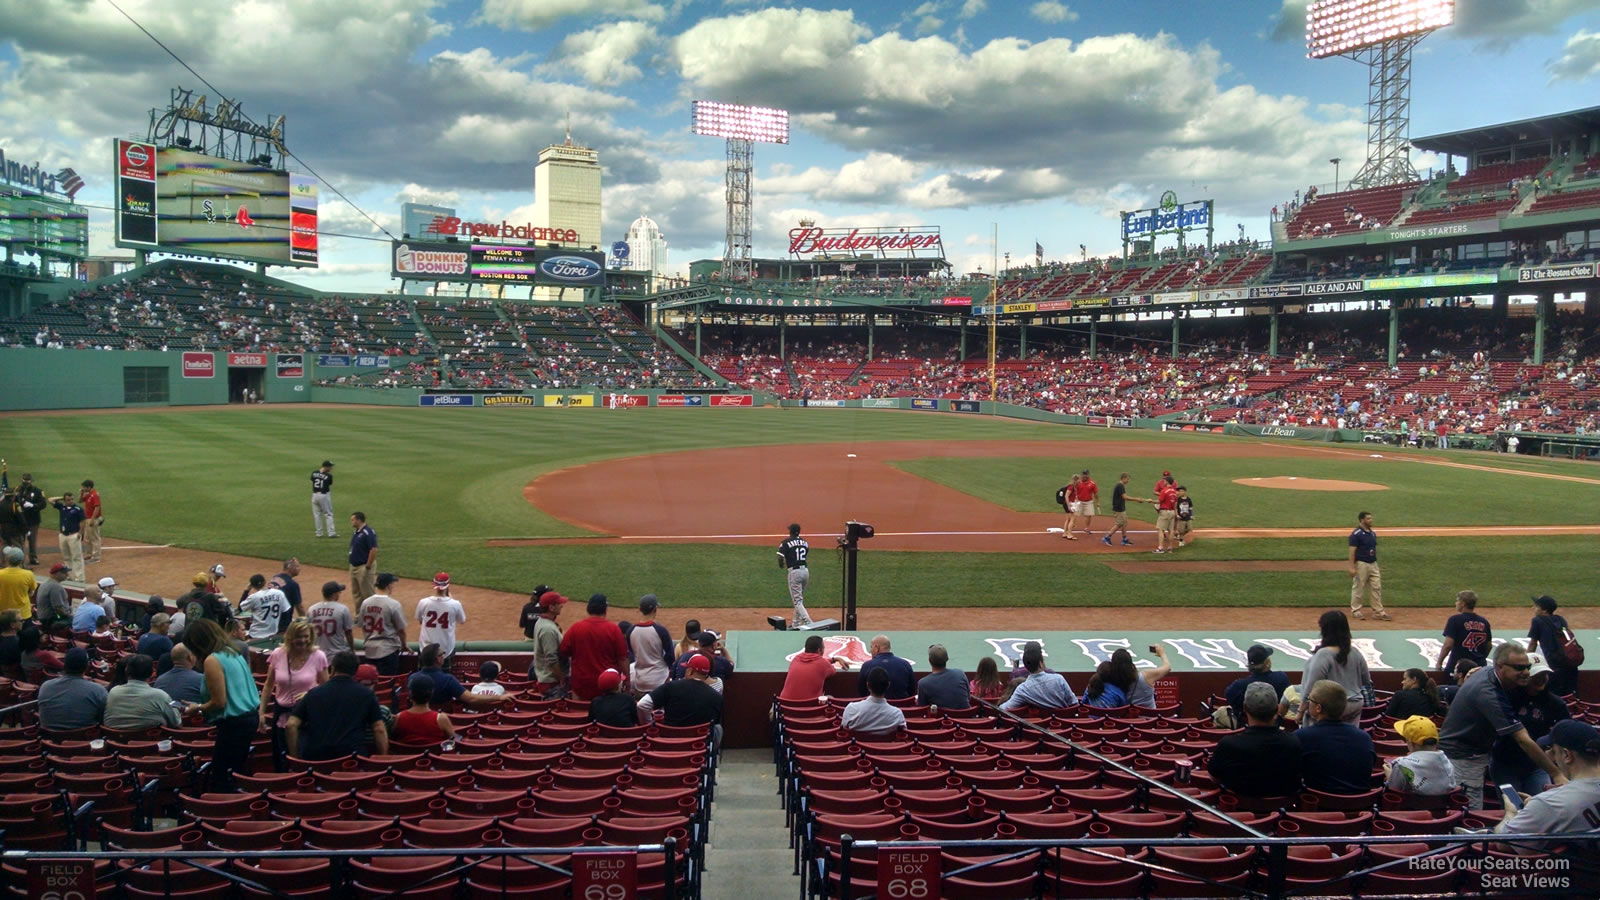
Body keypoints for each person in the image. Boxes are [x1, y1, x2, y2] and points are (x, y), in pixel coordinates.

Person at [1440, 642, 1566, 809]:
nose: (1526, 673)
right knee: (1471, 811)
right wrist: (1556, 774)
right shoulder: (1489, 693)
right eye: (1519, 668)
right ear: (1500, 667)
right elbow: (1522, 739)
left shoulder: (1488, 674)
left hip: (1472, 755)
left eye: (1528, 667)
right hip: (1465, 757)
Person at [1493, 720, 1600, 860]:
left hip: (1574, 878)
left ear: (1567, 756)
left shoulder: (1550, 803)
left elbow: (1504, 843)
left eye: (1553, 751)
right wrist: (1536, 808)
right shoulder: (1548, 804)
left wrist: (1511, 813)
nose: (1551, 757)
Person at [181, 618, 262, 791]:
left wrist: (198, 707)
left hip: (234, 724)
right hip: (248, 718)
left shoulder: (213, 660)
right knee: (234, 771)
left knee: (222, 777)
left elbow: (219, 701)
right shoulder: (232, 652)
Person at [1490, 652, 1571, 796]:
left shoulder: (1555, 703)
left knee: (1543, 805)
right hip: (1505, 764)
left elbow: (1567, 733)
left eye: (1544, 674)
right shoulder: (1506, 699)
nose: (1541, 679)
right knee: (1514, 807)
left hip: (1537, 765)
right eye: (1536, 676)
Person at [286, 650, 388, 760]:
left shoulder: (312, 694)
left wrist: (295, 758)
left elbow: (291, 725)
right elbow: (379, 729)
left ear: (333, 668)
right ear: (355, 671)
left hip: (316, 761)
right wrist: (382, 759)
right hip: (352, 761)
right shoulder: (367, 695)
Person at [1208, 682, 1303, 797]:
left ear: (1245, 708)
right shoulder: (1294, 743)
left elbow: (1214, 777)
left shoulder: (1228, 744)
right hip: (1283, 811)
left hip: (1238, 812)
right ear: (1277, 709)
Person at [1295, 680, 1376, 795]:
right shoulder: (1365, 738)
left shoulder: (1301, 737)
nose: (1308, 703)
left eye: (1309, 700)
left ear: (1318, 708)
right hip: (1361, 807)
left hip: (1317, 807)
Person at [261, 619, 329, 750]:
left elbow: (327, 689)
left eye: (306, 636)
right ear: (290, 637)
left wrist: (310, 694)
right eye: (298, 636)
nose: (303, 640)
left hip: (308, 715)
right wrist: (261, 713)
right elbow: (268, 686)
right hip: (281, 714)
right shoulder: (277, 654)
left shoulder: (318, 656)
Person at [1302, 610, 1372, 722]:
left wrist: (1301, 710)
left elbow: (1312, 686)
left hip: (1329, 707)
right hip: (1355, 705)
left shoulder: (1323, 654)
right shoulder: (1355, 652)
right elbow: (1366, 681)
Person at [559, 593, 630, 701]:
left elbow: (563, 652)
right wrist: (627, 680)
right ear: (605, 609)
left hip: (581, 685)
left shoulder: (576, 628)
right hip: (608, 686)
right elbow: (622, 659)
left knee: (578, 714)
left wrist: (563, 676)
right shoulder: (613, 629)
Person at [638, 653, 724, 740]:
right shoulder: (716, 696)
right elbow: (714, 723)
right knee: (718, 729)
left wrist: (648, 724)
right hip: (698, 747)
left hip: (667, 745)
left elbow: (642, 705)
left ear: (690, 671)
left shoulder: (671, 686)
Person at [414, 643, 504, 710]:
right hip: (441, 722)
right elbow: (471, 699)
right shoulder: (448, 680)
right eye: (442, 654)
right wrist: (499, 697)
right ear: (438, 659)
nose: (444, 656)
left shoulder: (413, 678)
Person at [103, 654, 180, 731]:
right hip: (152, 740)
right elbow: (176, 722)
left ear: (126, 671)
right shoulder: (160, 695)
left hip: (116, 740)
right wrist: (177, 706)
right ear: (152, 673)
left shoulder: (113, 691)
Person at [1384, 716, 1457, 796]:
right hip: (1441, 808)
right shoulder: (1448, 765)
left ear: (1410, 743)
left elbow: (1393, 793)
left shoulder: (1401, 765)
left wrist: (1390, 776)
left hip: (1408, 807)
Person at [38, 647, 107, 731]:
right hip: (85, 741)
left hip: (49, 741)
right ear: (87, 666)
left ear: (65, 665)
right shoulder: (98, 690)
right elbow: (105, 718)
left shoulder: (45, 687)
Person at [1528, 595, 1579, 697]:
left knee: (1553, 697)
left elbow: (1533, 644)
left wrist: (1526, 661)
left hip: (1555, 668)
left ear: (1544, 610)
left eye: (1537, 606)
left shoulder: (1537, 621)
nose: (1534, 608)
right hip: (1571, 665)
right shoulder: (1561, 619)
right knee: (1571, 697)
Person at [1435, 590, 1491, 681]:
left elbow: (1448, 645)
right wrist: (1480, 656)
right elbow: (1489, 646)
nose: (1456, 603)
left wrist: (1439, 662)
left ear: (1463, 604)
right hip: (1478, 666)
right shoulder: (1484, 622)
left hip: (1457, 666)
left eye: (1457, 600)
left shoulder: (1455, 620)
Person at [1001, 644, 1076, 712]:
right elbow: (1073, 702)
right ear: (1040, 663)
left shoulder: (1022, 689)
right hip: (1064, 724)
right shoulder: (1059, 679)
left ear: (1026, 666)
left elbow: (1004, 708)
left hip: (1040, 724)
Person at [1224, 645, 1291, 721]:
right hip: (1277, 726)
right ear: (1267, 662)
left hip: (1245, 727)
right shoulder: (1281, 678)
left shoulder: (1238, 686)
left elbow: (1229, 698)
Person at [359, 573, 407, 676]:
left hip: (370, 651)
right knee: (386, 684)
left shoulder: (365, 603)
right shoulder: (393, 604)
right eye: (392, 584)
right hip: (388, 652)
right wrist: (404, 645)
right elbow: (401, 630)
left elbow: (362, 626)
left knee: (371, 682)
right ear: (388, 585)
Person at [415, 572, 467, 665]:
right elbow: (462, 620)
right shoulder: (455, 604)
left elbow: (420, 620)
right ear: (448, 585)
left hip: (425, 649)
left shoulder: (423, 602)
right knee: (444, 678)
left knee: (424, 676)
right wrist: (451, 599)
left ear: (434, 584)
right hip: (446, 650)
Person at [779, 635, 848, 702]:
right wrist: (835, 660)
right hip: (810, 710)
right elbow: (832, 671)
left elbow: (817, 662)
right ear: (819, 650)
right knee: (831, 698)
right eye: (823, 648)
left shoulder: (795, 659)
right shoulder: (823, 664)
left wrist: (833, 659)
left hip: (785, 707)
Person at [1347, 510, 1389, 620]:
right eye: (1368, 518)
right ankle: (1356, 610)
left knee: (1376, 587)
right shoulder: (1356, 535)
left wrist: (1375, 564)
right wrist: (1351, 567)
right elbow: (1352, 551)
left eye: (1371, 518)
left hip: (1373, 564)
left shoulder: (1372, 533)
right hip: (1362, 564)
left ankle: (1378, 612)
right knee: (1359, 587)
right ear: (1362, 520)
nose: (1371, 520)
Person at [627, 594, 674, 694]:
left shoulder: (631, 631)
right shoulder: (661, 631)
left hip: (640, 681)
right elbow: (670, 656)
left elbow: (631, 653)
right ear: (655, 609)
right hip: (659, 680)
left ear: (640, 609)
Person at [842, 666, 907, 736]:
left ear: (868, 685)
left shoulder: (851, 709)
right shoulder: (897, 714)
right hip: (885, 747)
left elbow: (843, 729)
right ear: (888, 685)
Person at [391, 675, 454, 746]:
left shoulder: (398, 718)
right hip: (434, 756)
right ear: (431, 693)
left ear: (410, 694)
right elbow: (454, 742)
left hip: (406, 756)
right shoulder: (441, 719)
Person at [528, 590, 569, 697]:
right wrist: (561, 679)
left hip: (548, 678)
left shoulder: (542, 621)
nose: (561, 606)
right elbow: (551, 658)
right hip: (552, 682)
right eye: (559, 604)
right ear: (551, 607)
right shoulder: (547, 629)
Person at [775, 523, 813, 626]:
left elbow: (780, 557)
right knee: (799, 599)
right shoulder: (804, 542)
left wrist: (781, 565)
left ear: (790, 531)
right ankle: (795, 624)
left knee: (797, 601)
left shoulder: (786, 542)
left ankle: (809, 623)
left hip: (795, 573)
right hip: (805, 571)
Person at [857, 635, 914, 700]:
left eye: (871, 647)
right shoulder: (905, 664)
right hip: (901, 708)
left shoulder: (867, 666)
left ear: (876, 648)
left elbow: (862, 692)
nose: (870, 651)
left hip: (875, 709)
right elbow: (911, 690)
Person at [915, 644, 971, 710]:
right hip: (966, 718)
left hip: (941, 719)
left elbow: (922, 708)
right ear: (947, 659)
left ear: (930, 661)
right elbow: (968, 698)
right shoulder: (960, 673)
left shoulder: (923, 683)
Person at [308, 581, 355, 656]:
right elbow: (348, 633)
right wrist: (352, 650)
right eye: (338, 592)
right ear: (334, 594)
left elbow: (308, 632)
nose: (339, 594)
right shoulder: (343, 609)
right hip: (337, 654)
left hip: (317, 654)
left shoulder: (311, 609)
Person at [1100, 472, 1146, 546]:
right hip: (1118, 508)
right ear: (1123, 478)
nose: (1128, 481)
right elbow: (1125, 497)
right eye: (1127, 479)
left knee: (1124, 523)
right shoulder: (1120, 486)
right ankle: (1107, 537)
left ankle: (1124, 539)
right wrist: (1136, 499)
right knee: (1119, 523)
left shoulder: (1120, 485)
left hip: (1121, 507)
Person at [239, 574, 289, 643]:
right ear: (265, 582)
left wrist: (246, 590)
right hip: (273, 635)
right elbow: (286, 612)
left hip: (256, 635)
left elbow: (240, 608)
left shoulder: (254, 597)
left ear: (253, 586)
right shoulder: (279, 593)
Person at [50, 490, 86, 581]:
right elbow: (50, 500)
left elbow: (82, 521)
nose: (71, 501)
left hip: (73, 535)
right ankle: (70, 575)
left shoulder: (78, 509)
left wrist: (80, 533)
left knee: (76, 557)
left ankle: (79, 577)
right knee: (66, 556)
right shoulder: (61, 507)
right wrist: (61, 497)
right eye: (68, 500)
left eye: (72, 499)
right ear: (65, 500)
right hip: (63, 535)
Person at [15, 473, 45, 565]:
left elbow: (43, 504)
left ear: (31, 481)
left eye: (28, 481)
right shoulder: (17, 490)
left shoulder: (37, 491)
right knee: (20, 540)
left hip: (33, 520)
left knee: (32, 539)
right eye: (24, 481)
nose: (26, 483)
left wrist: (33, 505)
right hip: (20, 519)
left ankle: (33, 557)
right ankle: (20, 558)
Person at [347, 511, 378, 601]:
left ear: (359, 520)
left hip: (363, 566)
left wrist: (368, 566)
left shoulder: (368, 532)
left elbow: (373, 549)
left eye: (353, 520)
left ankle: (371, 614)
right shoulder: (356, 532)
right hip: (354, 566)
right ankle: (359, 614)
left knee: (368, 593)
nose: (351, 522)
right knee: (357, 594)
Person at [0, 546, 36, 620]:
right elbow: (31, 593)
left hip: (3, 614)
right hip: (23, 614)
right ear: (21, 561)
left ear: (7, 559)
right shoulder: (28, 574)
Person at [270, 558, 303, 635]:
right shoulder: (292, 584)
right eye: (297, 566)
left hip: (270, 618)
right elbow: (299, 607)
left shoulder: (274, 578)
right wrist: (305, 620)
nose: (299, 569)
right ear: (290, 567)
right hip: (283, 622)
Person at [36, 563, 72, 631]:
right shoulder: (55, 587)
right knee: (76, 620)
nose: (67, 575)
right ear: (56, 573)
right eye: (64, 573)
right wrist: (69, 616)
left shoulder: (45, 583)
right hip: (52, 619)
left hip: (43, 617)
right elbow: (59, 609)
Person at [79, 479, 102, 564]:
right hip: (87, 518)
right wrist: (81, 493)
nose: (82, 488)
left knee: (95, 538)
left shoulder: (94, 495)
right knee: (87, 538)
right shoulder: (88, 494)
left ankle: (96, 557)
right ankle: (89, 554)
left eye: (84, 487)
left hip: (93, 519)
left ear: (89, 487)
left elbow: (97, 507)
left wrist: (92, 519)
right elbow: (80, 501)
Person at [310, 461, 336, 539]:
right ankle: (331, 533)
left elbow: (312, 479)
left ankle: (319, 533)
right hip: (324, 495)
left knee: (317, 514)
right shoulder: (329, 476)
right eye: (330, 466)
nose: (331, 468)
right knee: (328, 514)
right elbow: (329, 484)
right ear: (326, 467)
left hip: (314, 495)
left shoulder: (314, 473)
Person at [1152, 477, 1177, 553]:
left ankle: (1160, 548)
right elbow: (1175, 503)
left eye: (1164, 481)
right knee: (1171, 530)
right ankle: (1170, 548)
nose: (1163, 482)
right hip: (1172, 512)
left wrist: (1151, 501)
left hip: (1165, 512)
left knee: (1161, 530)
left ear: (1167, 482)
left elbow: (1159, 501)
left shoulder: (1164, 490)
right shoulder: (1174, 491)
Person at [1076, 469, 1099, 535]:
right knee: (1074, 514)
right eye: (1084, 474)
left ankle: (1086, 528)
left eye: (1086, 474)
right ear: (1082, 475)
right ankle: (1071, 525)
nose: (1085, 476)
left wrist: (1097, 502)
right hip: (1078, 501)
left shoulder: (1092, 483)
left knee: (1089, 515)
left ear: (1088, 475)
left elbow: (1095, 494)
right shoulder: (1078, 482)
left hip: (1088, 501)